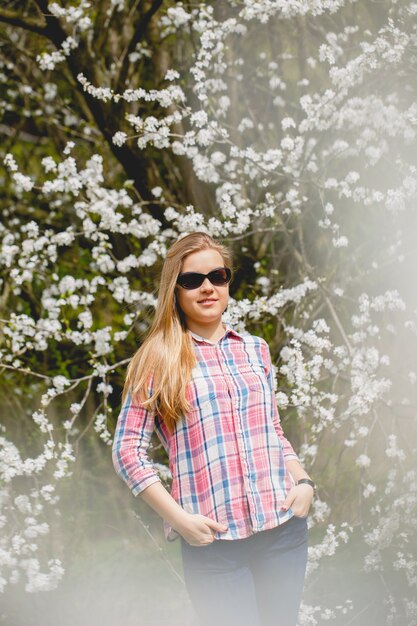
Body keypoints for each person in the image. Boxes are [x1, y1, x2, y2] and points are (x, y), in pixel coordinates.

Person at [112, 231, 315, 626]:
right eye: (192, 280)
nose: (207, 288)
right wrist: (180, 519)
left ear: (226, 282)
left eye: (217, 276)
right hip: (214, 544)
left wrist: (305, 483)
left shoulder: (254, 348)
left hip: (282, 531)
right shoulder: (157, 358)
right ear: (176, 289)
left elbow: (271, 428)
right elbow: (127, 451)